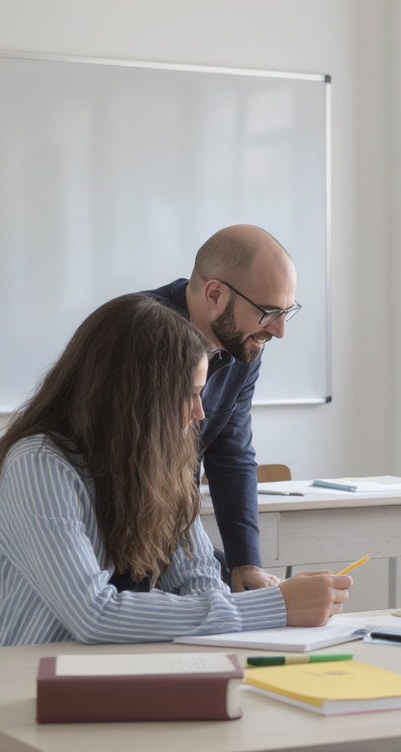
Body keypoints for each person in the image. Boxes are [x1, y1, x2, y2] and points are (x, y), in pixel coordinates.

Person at [0, 294, 348, 650]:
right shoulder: (38, 464)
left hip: (82, 681)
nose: (199, 412)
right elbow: (94, 614)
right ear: (134, 399)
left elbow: (198, 578)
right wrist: (271, 607)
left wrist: (240, 612)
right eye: (187, 394)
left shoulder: (156, 460)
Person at [141, 225, 301, 592]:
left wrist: (245, 564)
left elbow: (231, 455)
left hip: (173, 531)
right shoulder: (138, 335)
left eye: (286, 312)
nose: (278, 331)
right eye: (268, 312)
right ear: (214, 293)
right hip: (117, 534)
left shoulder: (243, 342)